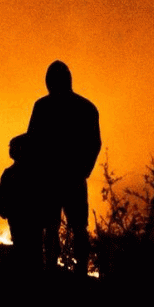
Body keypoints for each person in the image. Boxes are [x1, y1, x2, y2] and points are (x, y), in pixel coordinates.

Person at [27, 60, 101, 276]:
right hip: (72, 178)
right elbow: (94, 143)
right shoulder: (86, 107)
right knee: (78, 228)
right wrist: (83, 170)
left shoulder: (42, 106)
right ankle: (79, 271)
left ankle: (49, 269)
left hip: (50, 177)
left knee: (51, 226)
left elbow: (33, 140)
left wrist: (36, 171)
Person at [0, 133, 44, 276]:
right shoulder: (37, 173)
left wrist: (3, 209)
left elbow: (3, 194)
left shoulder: (10, 173)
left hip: (18, 218)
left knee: (22, 248)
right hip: (31, 218)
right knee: (34, 249)